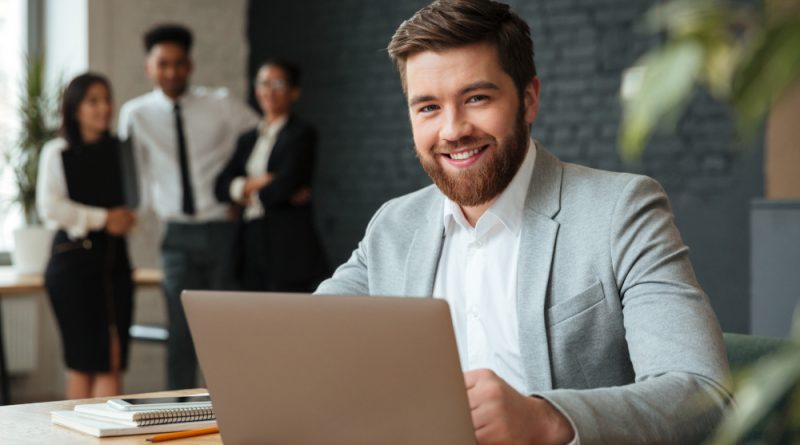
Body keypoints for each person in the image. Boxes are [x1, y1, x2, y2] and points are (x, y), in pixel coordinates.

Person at [316, 0, 733, 443]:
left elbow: (703, 397)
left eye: (476, 98)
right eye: (428, 108)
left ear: (528, 99)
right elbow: (302, 338)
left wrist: (547, 419)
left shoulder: (621, 212)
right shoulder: (393, 226)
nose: (453, 129)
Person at [118, 24, 259, 390]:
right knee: (179, 334)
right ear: (149, 67)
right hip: (175, 235)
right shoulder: (136, 115)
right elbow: (134, 175)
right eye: (163, 64)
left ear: (190, 65)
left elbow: (261, 139)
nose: (171, 72)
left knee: (224, 331)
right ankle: (178, 417)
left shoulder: (221, 104)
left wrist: (241, 192)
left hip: (221, 230)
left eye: (179, 63)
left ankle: (232, 410)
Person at [37, 73, 136, 399]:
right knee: (84, 360)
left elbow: (138, 201)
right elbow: (50, 206)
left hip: (114, 262)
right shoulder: (58, 151)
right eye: (93, 100)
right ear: (75, 108)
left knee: (112, 357)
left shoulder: (120, 151)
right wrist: (102, 218)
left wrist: (127, 218)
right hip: (74, 264)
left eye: (107, 99)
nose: (104, 107)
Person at [215, 60, 328, 292]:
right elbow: (219, 187)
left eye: (278, 83)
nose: (269, 91)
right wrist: (257, 184)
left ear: (294, 92)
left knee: (288, 321)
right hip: (249, 243)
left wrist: (243, 194)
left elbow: (282, 188)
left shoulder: (302, 134)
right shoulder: (247, 139)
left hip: (287, 246)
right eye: (263, 83)